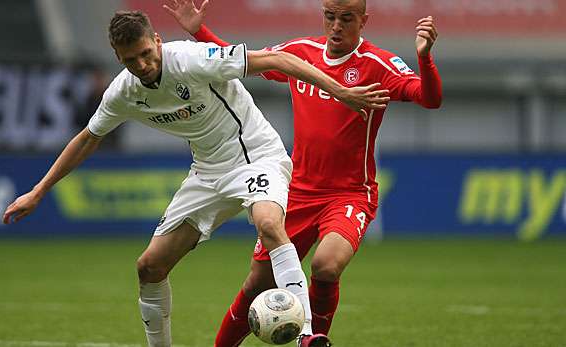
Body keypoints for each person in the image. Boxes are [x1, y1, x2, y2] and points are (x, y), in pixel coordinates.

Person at [1, 9, 387, 347]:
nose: (143, 65)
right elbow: (87, 139)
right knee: (149, 267)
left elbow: (280, 60)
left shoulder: (193, 59)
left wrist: (342, 91)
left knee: (269, 223)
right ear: (119, 58)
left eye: (147, 54)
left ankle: (305, 331)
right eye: (131, 60)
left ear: (157, 40)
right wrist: (38, 192)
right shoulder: (123, 91)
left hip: (255, 156)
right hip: (206, 173)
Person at [164, 0, 442, 346]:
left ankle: (310, 339)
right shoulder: (301, 52)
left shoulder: (378, 64)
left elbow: (428, 98)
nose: (336, 26)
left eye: (346, 19)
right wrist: (197, 31)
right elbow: (240, 61)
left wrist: (425, 57)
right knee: (257, 283)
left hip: (349, 194)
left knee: (326, 265)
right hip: (296, 192)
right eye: (330, 17)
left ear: (363, 21)